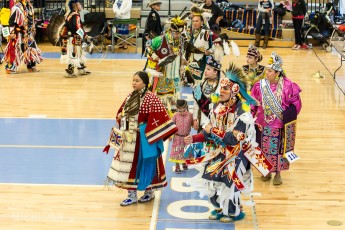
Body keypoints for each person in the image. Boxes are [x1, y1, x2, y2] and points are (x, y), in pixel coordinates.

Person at [184, 63, 271, 223]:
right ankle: (218, 208)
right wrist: (194, 138)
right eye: (221, 88)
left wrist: (212, 130)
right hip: (218, 152)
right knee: (209, 180)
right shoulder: (216, 107)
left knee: (230, 184)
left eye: (225, 89)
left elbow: (232, 139)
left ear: (235, 91)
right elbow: (208, 132)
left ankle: (232, 212)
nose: (221, 91)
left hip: (236, 155)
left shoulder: (243, 114)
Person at [103, 71, 178, 206]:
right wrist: (120, 117)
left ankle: (149, 191)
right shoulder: (130, 96)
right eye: (133, 80)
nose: (134, 83)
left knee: (147, 164)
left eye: (137, 80)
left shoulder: (151, 98)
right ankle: (131, 194)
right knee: (129, 167)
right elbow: (122, 112)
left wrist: (143, 128)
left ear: (144, 82)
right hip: (130, 139)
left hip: (145, 140)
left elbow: (160, 117)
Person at [250, 52, 302, 185]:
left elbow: (296, 104)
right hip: (262, 123)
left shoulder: (288, 86)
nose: (266, 73)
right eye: (267, 70)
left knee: (279, 149)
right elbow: (253, 102)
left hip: (279, 125)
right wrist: (250, 116)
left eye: (270, 71)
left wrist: (288, 116)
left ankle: (278, 173)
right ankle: (265, 171)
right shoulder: (259, 85)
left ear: (277, 73)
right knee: (261, 147)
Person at [144, 16, 187, 114]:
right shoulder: (160, 39)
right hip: (162, 73)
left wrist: (183, 60)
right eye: (176, 32)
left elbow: (181, 52)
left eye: (179, 33)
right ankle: (160, 116)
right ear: (170, 30)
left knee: (173, 99)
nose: (177, 35)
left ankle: (172, 118)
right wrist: (154, 55)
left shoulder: (181, 39)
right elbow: (148, 46)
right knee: (161, 99)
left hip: (175, 73)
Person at [186, 6, 221, 81]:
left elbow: (218, 41)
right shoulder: (190, 32)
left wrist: (210, 51)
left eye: (197, 21)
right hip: (192, 61)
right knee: (191, 82)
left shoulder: (207, 32)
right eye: (193, 21)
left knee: (200, 81)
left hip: (203, 61)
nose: (194, 23)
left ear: (202, 22)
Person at [60, 0, 91, 77]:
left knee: (79, 53)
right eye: (79, 4)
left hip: (73, 37)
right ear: (75, 6)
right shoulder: (76, 15)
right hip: (73, 38)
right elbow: (77, 27)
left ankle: (81, 68)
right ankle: (69, 72)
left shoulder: (71, 14)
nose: (81, 5)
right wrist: (84, 35)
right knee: (73, 54)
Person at [192, 55, 221, 131]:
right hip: (201, 120)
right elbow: (196, 102)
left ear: (215, 72)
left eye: (208, 69)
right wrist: (195, 119)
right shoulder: (201, 84)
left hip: (214, 122)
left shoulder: (221, 86)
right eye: (205, 68)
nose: (205, 71)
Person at [3, 0, 28, 74]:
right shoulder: (16, 8)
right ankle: (10, 67)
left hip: (20, 33)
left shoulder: (23, 7)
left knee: (16, 49)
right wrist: (11, 33)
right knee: (12, 49)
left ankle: (11, 67)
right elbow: (10, 21)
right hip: (15, 33)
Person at [169, 99, 194, 173]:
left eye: (184, 110)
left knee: (185, 151)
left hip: (187, 137)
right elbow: (172, 126)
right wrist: (170, 135)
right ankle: (177, 166)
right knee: (177, 152)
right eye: (180, 111)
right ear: (177, 109)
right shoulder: (175, 115)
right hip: (177, 137)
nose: (182, 112)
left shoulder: (190, 115)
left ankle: (184, 163)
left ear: (186, 108)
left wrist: (196, 125)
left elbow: (193, 124)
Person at [25, 0, 43, 72]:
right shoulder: (19, 7)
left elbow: (31, 18)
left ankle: (31, 66)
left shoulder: (30, 6)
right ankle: (9, 68)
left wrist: (33, 27)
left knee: (31, 48)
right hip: (21, 33)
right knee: (15, 50)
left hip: (29, 32)